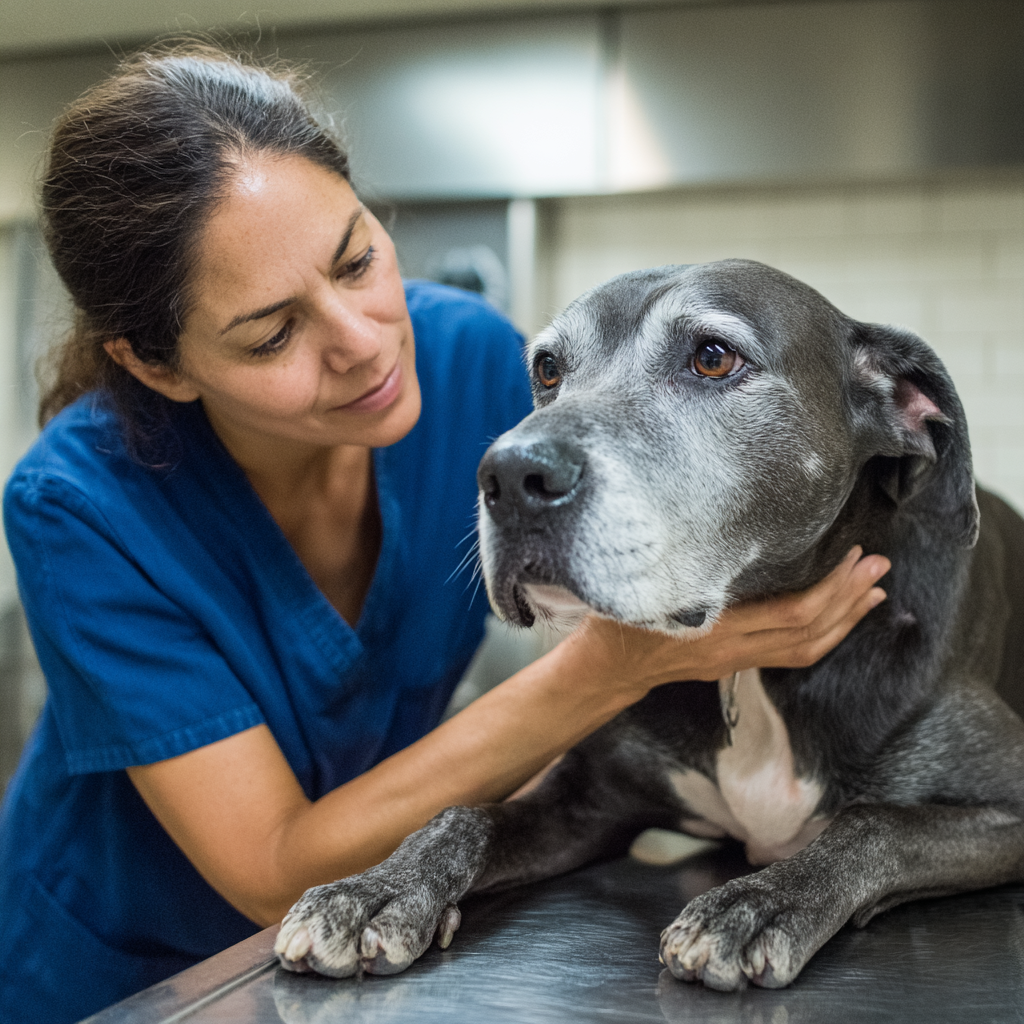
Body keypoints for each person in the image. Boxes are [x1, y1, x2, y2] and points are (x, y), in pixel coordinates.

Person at [0, 43, 889, 1024]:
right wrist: (612, 667)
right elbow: (269, 870)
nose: (364, 339)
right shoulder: (79, 504)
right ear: (160, 365)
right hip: (129, 974)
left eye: (357, 259)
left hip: (376, 947)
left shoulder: (466, 355)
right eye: (271, 334)